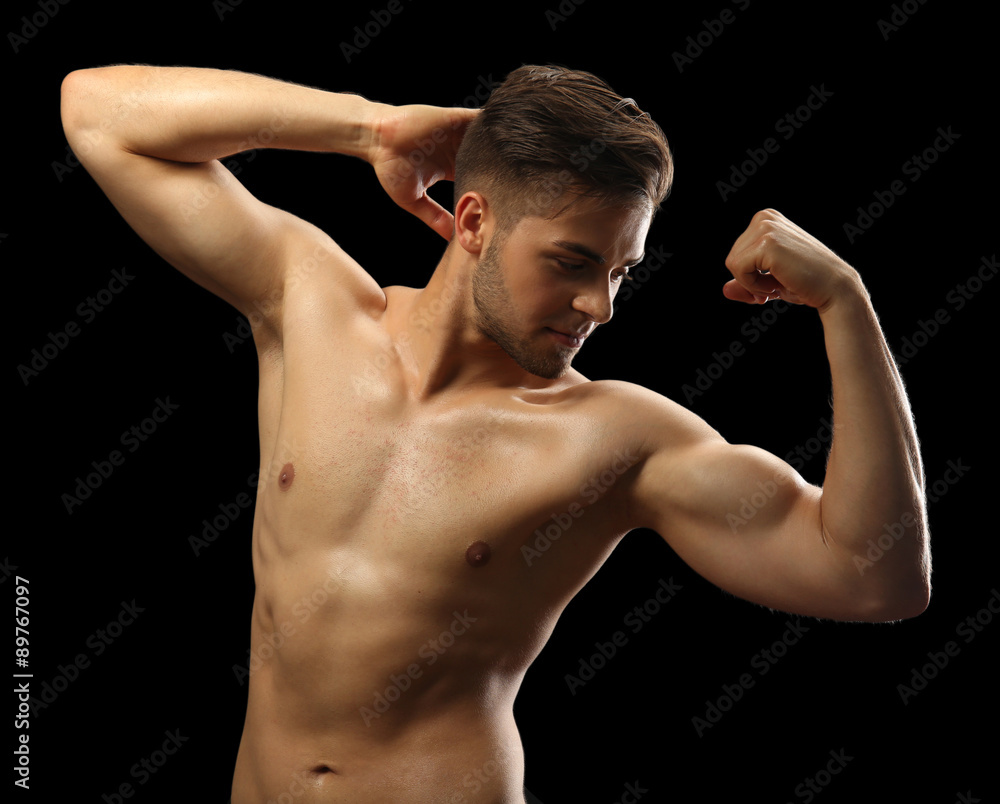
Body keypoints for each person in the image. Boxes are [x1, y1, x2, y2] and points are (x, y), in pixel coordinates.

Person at [60, 62, 931, 804]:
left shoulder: (615, 440)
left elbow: (874, 576)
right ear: (474, 221)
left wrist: (844, 302)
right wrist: (370, 128)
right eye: (572, 262)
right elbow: (98, 112)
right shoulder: (313, 306)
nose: (599, 306)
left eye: (620, 271)